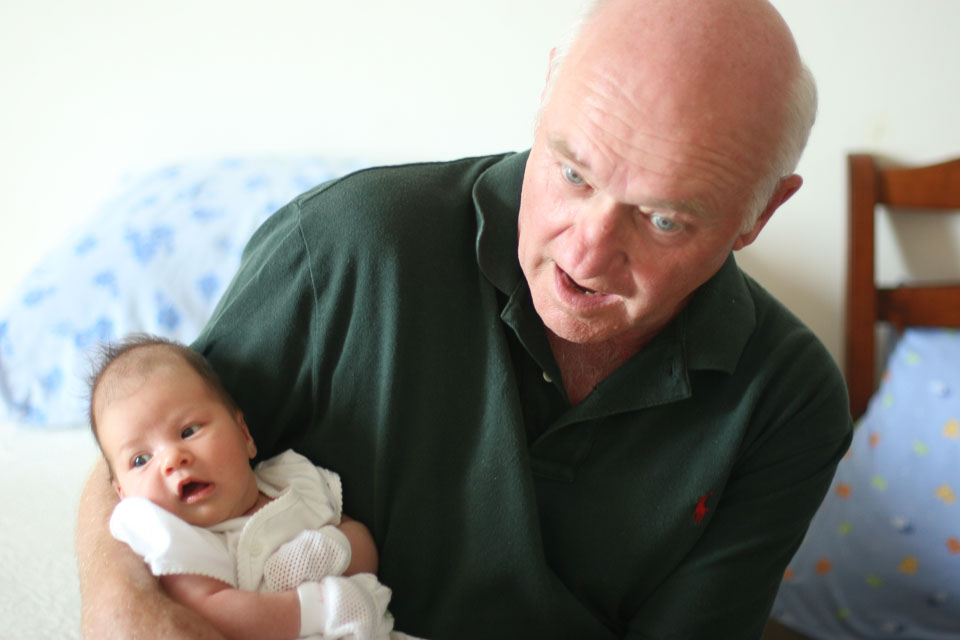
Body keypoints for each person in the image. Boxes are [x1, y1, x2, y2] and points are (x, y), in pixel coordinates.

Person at [77, 0, 854, 638]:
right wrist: (125, 614)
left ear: (761, 212)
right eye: (573, 173)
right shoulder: (346, 245)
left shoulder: (792, 398)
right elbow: (136, 456)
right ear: (548, 88)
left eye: (663, 220)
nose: (586, 253)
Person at [88, 335, 399, 640]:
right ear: (123, 495)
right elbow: (213, 613)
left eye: (189, 431)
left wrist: (336, 547)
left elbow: (359, 538)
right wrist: (317, 607)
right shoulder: (177, 540)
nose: (172, 459)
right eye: (141, 459)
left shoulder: (293, 479)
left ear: (245, 435)